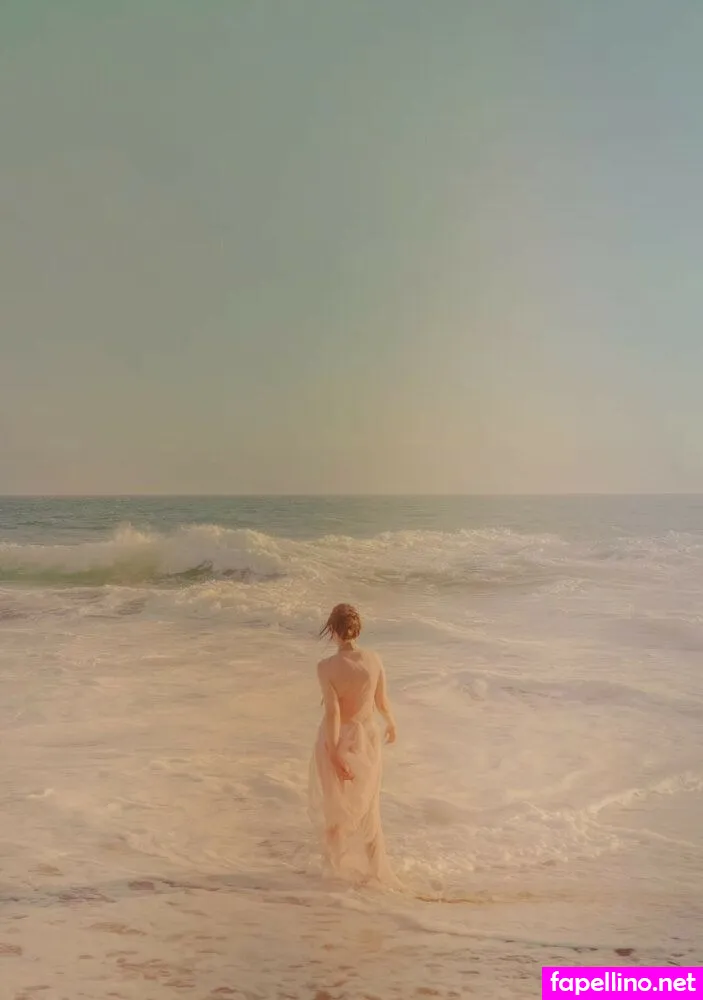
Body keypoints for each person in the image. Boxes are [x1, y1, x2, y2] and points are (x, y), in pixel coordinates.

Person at [308, 603, 400, 887]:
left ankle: (333, 874)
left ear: (333, 630)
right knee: (369, 807)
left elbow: (333, 714)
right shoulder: (374, 660)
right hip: (367, 740)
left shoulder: (326, 667)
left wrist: (334, 752)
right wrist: (391, 724)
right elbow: (381, 702)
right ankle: (376, 871)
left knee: (334, 807)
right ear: (357, 630)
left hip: (337, 739)